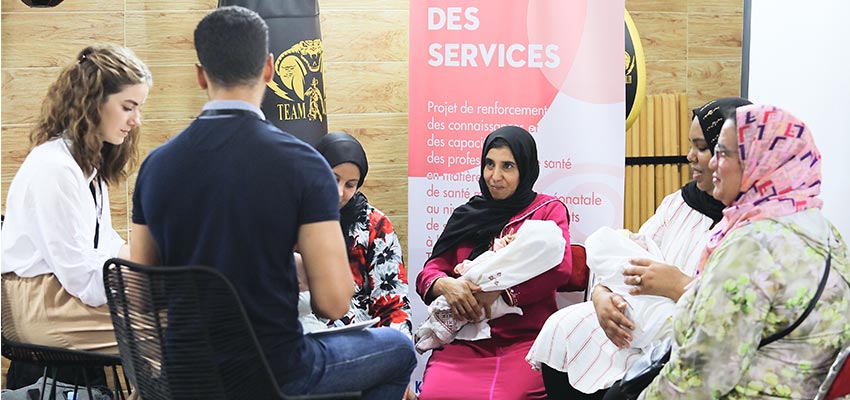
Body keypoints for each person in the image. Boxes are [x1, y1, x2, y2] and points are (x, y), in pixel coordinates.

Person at [129, 6, 416, 399]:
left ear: (200, 75)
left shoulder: (155, 167)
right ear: (269, 68)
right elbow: (333, 303)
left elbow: (143, 297)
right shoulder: (303, 164)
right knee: (399, 350)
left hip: (185, 373)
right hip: (275, 373)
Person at [526, 97, 751, 399]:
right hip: (634, 313)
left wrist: (678, 286)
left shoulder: (751, 225)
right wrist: (601, 295)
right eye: (690, 145)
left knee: (625, 385)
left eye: (702, 147)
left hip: (688, 334)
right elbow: (630, 253)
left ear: (740, 156)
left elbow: (737, 314)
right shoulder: (679, 203)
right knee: (562, 328)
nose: (689, 157)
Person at [635, 104, 850, 399]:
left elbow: (700, 377)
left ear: (760, 161)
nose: (712, 164)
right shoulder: (825, 232)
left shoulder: (752, 246)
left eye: (722, 153)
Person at [1, 44, 151, 353]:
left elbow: (102, 244)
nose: (137, 120)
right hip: (44, 307)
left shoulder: (85, 165)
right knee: (176, 330)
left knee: (182, 320)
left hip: (61, 295)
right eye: (128, 106)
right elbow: (81, 278)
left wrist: (145, 262)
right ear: (94, 104)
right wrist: (142, 281)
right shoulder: (55, 168)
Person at [415, 125, 573, 400]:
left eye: (507, 166)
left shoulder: (546, 211)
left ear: (525, 169)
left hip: (523, 342)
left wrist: (501, 291)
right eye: (489, 164)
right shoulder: (467, 214)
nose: (495, 176)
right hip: (463, 341)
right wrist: (445, 286)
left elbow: (561, 268)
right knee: (433, 395)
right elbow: (430, 270)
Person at [312, 132, 413, 336]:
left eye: (350, 185)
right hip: (303, 337)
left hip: (361, 340)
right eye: (333, 178)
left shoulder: (375, 224)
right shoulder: (293, 218)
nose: (339, 192)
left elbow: (393, 303)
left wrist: (395, 345)